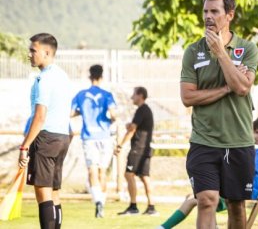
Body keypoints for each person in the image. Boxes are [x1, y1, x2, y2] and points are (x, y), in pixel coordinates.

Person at [180, 0, 258, 228]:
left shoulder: (247, 49)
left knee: (236, 206)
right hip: (204, 141)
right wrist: (226, 88)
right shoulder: (193, 51)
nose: (208, 17)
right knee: (206, 200)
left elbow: (243, 88)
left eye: (215, 11)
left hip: (239, 141)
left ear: (229, 15)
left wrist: (221, 54)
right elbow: (187, 97)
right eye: (205, 11)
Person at [157, 116, 258, 229]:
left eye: (257, 132)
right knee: (202, 196)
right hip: (239, 187)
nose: (254, 136)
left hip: (247, 190)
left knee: (196, 199)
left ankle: (163, 227)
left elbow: (245, 170)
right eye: (253, 132)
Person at [18, 33, 72, 229]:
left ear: (47, 52)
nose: (29, 54)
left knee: (43, 195)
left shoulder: (44, 79)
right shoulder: (63, 76)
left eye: (33, 50)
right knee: (54, 193)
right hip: (62, 137)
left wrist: (25, 146)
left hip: (46, 138)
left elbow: (40, 117)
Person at [71, 64, 117, 218]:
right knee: (103, 171)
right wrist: (109, 122)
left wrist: (83, 112)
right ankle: (102, 204)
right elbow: (114, 114)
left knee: (92, 170)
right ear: (102, 77)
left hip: (89, 137)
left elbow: (71, 113)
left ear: (89, 77)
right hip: (104, 136)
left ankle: (97, 201)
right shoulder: (107, 95)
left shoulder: (81, 95)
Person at [114, 87, 158, 216]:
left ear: (140, 95)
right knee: (145, 177)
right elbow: (136, 126)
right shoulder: (146, 110)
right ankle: (151, 207)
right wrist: (131, 125)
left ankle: (133, 207)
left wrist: (120, 145)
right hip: (146, 149)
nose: (132, 97)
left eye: (134, 94)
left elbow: (132, 129)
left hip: (138, 149)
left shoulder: (142, 109)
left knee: (128, 174)